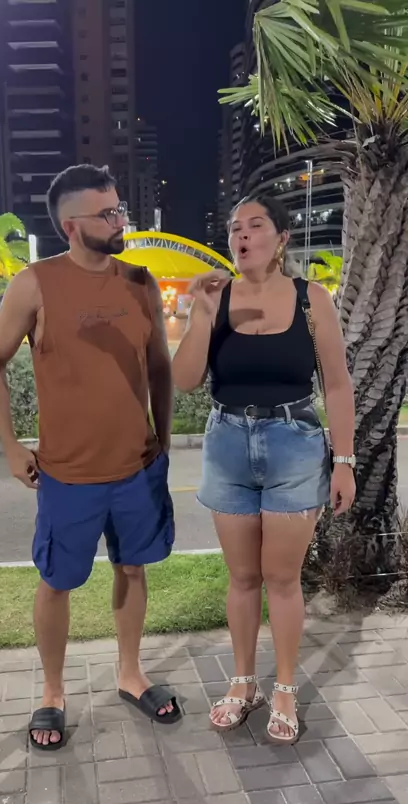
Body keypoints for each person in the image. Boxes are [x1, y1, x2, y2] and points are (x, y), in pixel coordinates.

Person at [0, 164, 179, 751]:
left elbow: (160, 368)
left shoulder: (140, 281)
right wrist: (11, 445)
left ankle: (130, 673)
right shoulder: (35, 284)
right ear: (71, 225)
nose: (121, 221)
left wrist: (164, 440)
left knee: (133, 569)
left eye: (120, 209)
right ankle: (51, 691)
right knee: (56, 583)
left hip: (137, 469)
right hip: (67, 475)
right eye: (107, 213)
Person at [172, 195, 355, 745]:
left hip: (294, 444)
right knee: (243, 577)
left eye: (255, 226)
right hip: (227, 444)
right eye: (235, 228)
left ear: (281, 239)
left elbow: (337, 384)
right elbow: (185, 379)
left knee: (281, 577)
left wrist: (344, 462)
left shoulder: (310, 299)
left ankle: (285, 689)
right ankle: (243, 682)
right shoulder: (217, 298)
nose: (242, 236)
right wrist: (200, 314)